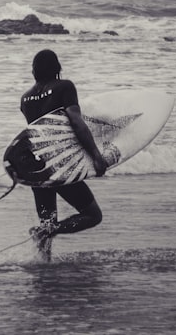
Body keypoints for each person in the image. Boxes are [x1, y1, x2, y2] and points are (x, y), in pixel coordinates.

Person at [20, 49, 107, 260]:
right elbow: (76, 122)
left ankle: (44, 269)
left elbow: (39, 134)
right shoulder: (64, 87)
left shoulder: (25, 99)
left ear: (34, 71)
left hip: (36, 166)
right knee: (93, 215)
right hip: (60, 163)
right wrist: (95, 155)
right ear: (57, 68)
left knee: (47, 220)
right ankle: (48, 232)